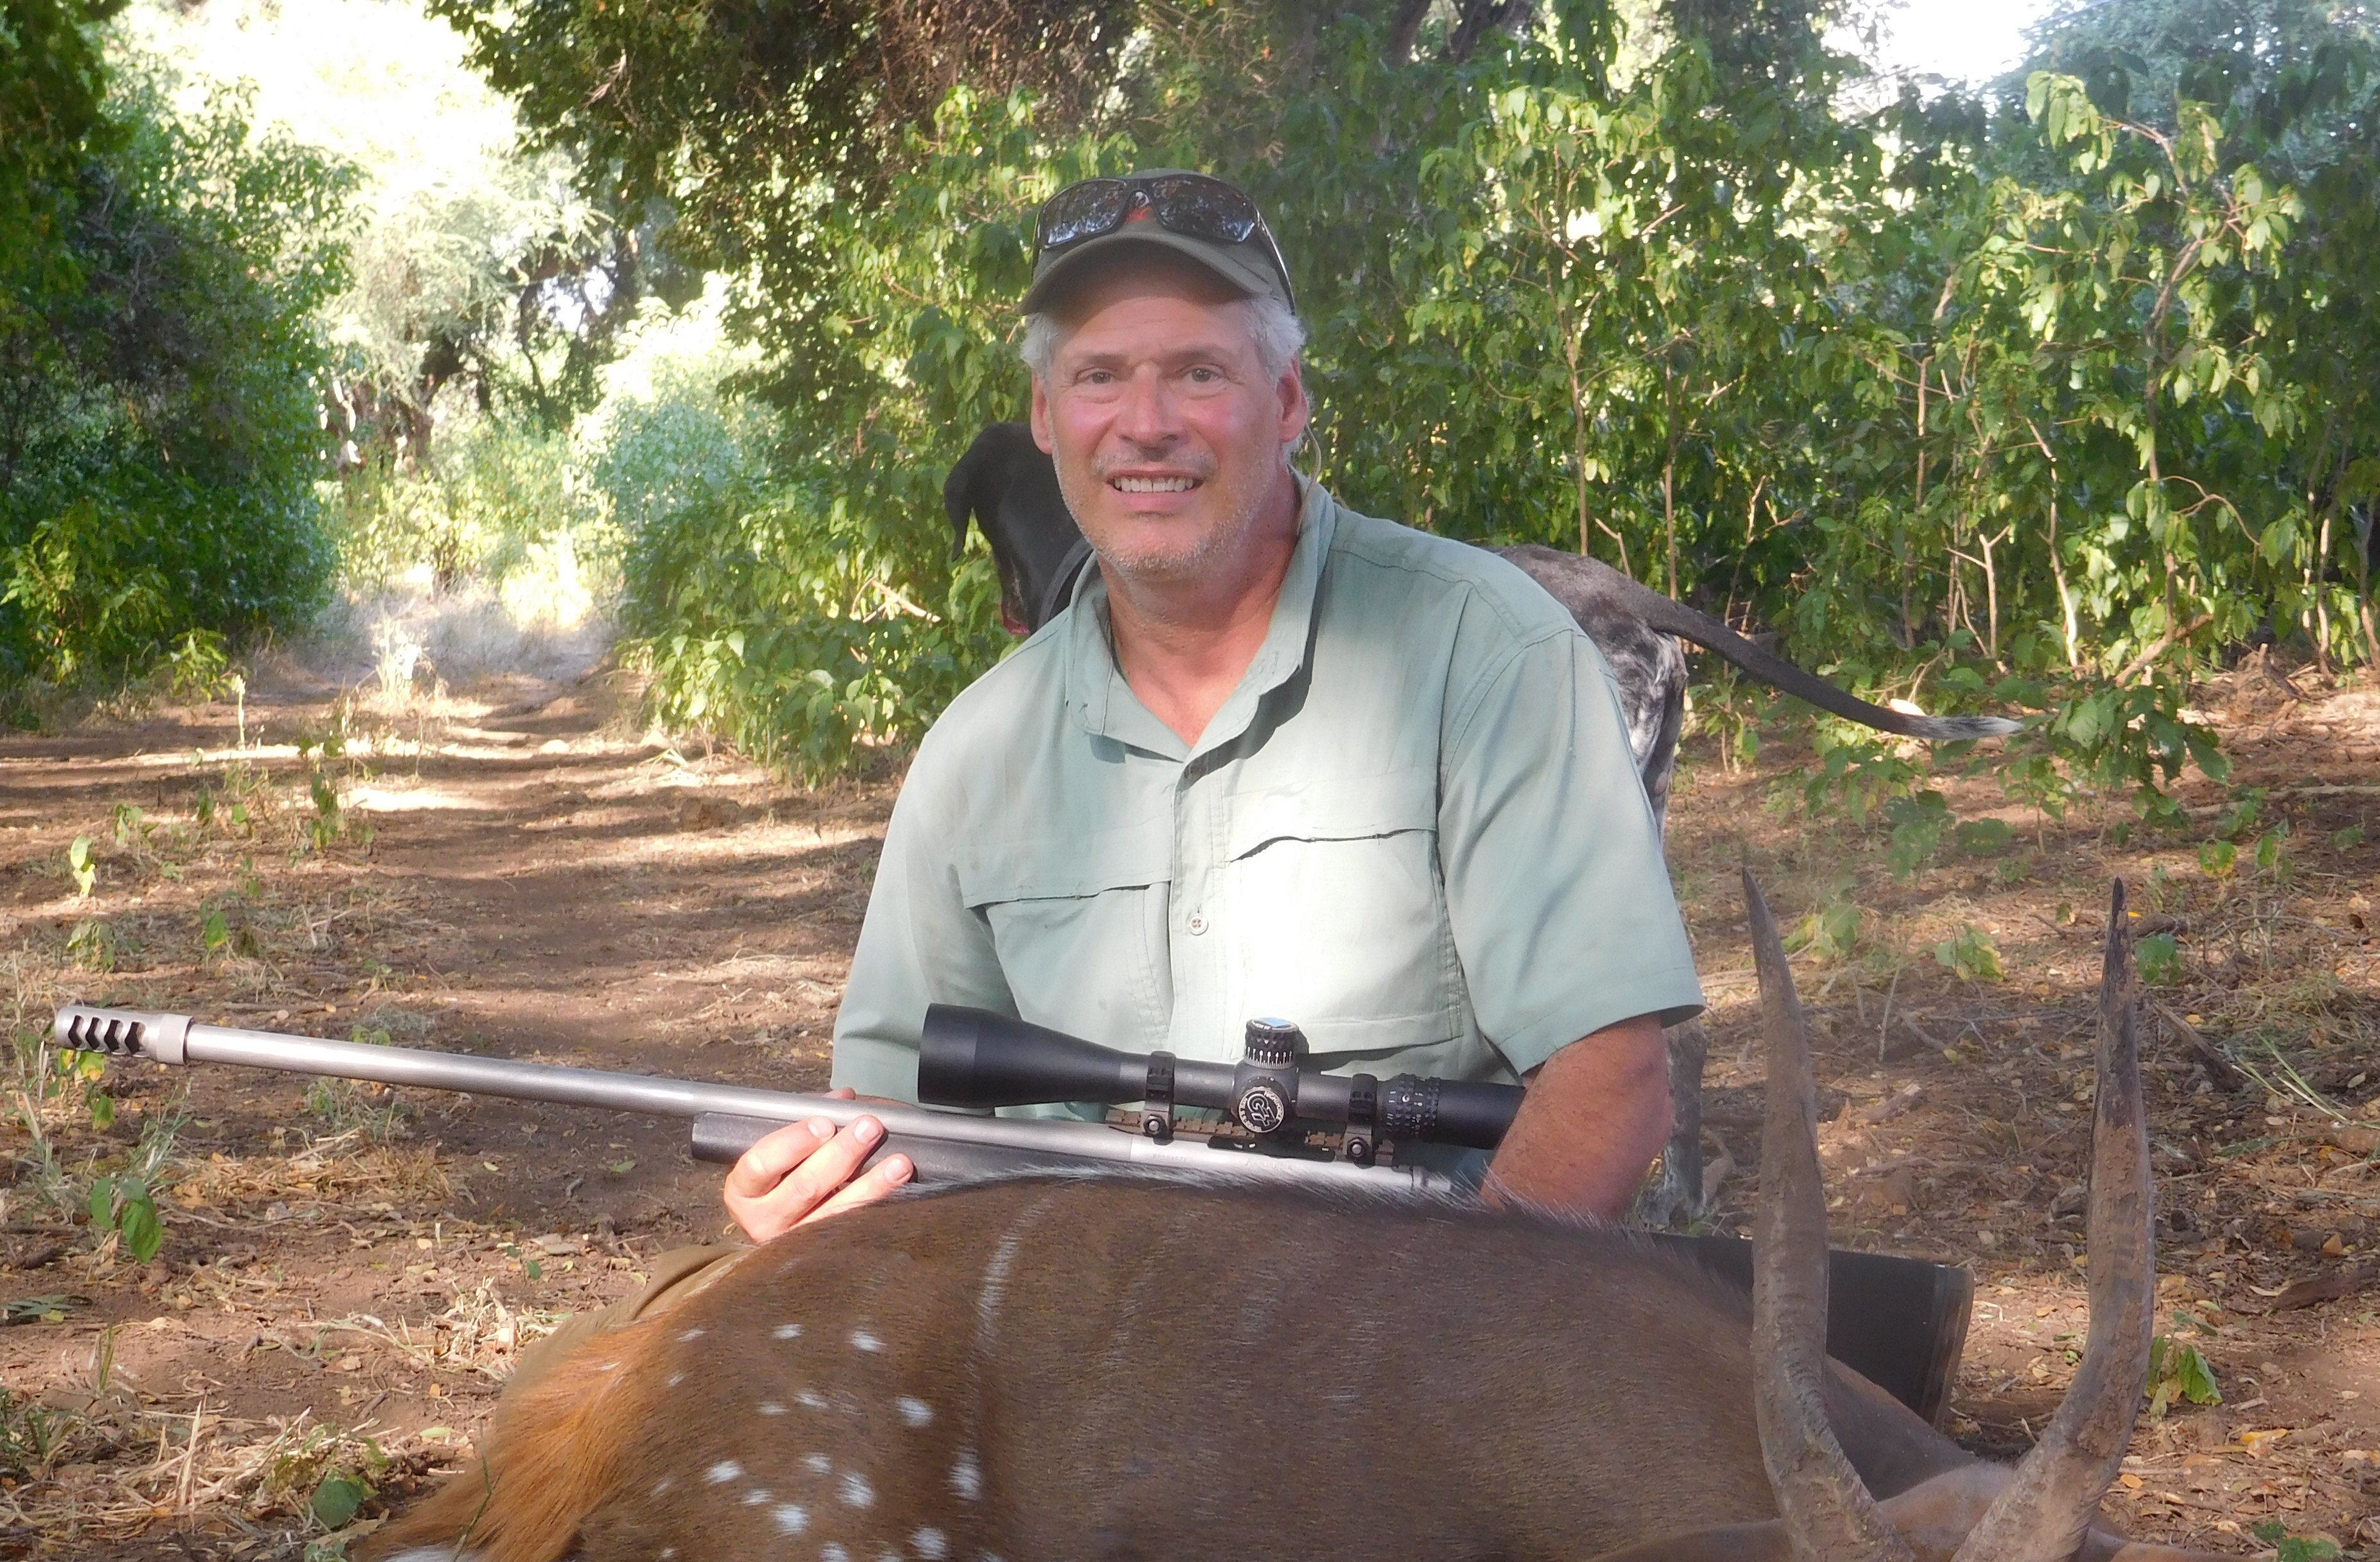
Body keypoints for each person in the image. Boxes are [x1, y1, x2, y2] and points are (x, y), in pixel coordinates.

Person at [723, 170, 1699, 1241]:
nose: (1144, 425)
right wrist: (814, 1198)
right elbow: (890, 1117)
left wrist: (1432, 1368)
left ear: (1285, 402)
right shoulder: (975, 751)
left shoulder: (1487, 651)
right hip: (1076, 1338)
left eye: (1198, 371)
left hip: (1418, 1326)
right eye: (1098, 375)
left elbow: (1610, 1081)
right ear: (1046, 418)